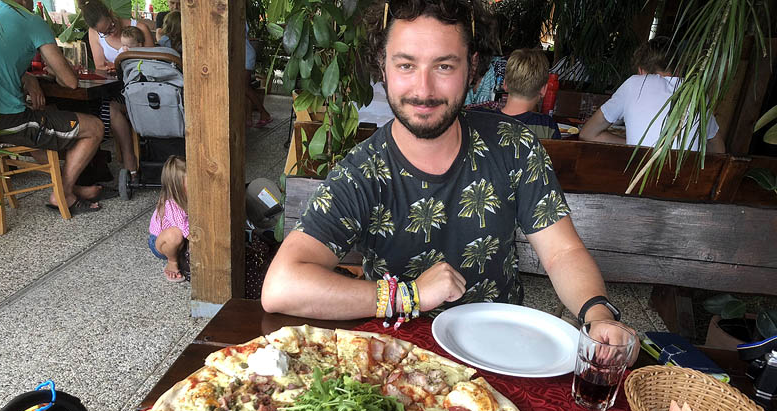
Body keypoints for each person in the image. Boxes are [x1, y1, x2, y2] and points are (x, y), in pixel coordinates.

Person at [261, 0, 637, 350]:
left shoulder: (514, 145)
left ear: (471, 68)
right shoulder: (362, 172)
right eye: (406, 65)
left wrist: (598, 314)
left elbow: (562, 252)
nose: (423, 90)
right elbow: (281, 286)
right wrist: (408, 295)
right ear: (383, 66)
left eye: (444, 66)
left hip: (501, 349)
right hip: (397, 356)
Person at [0, 0, 104, 213]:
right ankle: (63, 193)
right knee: (94, 127)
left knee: (43, 118)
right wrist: (55, 71)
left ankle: (70, 186)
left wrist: (27, 76)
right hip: (9, 122)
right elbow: (70, 81)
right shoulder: (32, 21)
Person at [580, 36, 725, 153]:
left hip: (640, 177)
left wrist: (633, 146)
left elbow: (587, 133)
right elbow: (718, 149)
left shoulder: (634, 83)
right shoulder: (695, 92)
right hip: (685, 179)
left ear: (641, 71)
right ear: (678, 69)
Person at [79, 0, 153, 176]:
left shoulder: (139, 28)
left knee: (107, 107)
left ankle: (123, 159)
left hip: (142, 87)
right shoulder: (94, 34)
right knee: (106, 107)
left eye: (111, 26)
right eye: (104, 32)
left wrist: (118, 64)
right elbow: (100, 66)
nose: (111, 32)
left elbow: (153, 62)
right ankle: (124, 158)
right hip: (117, 89)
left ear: (111, 13)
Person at [149, 156, 189, 283]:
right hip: (160, 241)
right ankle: (172, 261)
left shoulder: (190, 196)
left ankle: (182, 254)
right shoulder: (171, 205)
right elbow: (186, 230)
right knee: (174, 235)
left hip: (182, 240)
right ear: (177, 187)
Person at [245, 21, 271, 128]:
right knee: (246, 88)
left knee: (245, 88)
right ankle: (248, 119)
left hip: (245, 55)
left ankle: (264, 113)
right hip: (246, 53)